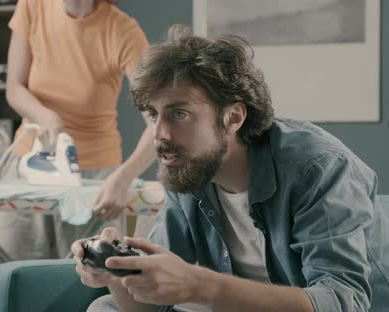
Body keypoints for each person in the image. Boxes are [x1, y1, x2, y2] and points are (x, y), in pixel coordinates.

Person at [72, 25, 389, 312]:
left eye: (178, 114)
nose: (158, 135)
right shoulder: (189, 169)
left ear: (233, 118)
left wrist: (201, 285)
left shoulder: (317, 168)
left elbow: (341, 301)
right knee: (106, 308)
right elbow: (150, 307)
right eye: (153, 115)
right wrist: (115, 269)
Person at [0, 0, 156, 260]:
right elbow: (14, 87)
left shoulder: (123, 31)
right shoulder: (33, 6)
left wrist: (123, 178)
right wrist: (46, 117)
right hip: (26, 168)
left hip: (95, 180)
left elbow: (158, 121)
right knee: (12, 277)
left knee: (89, 282)